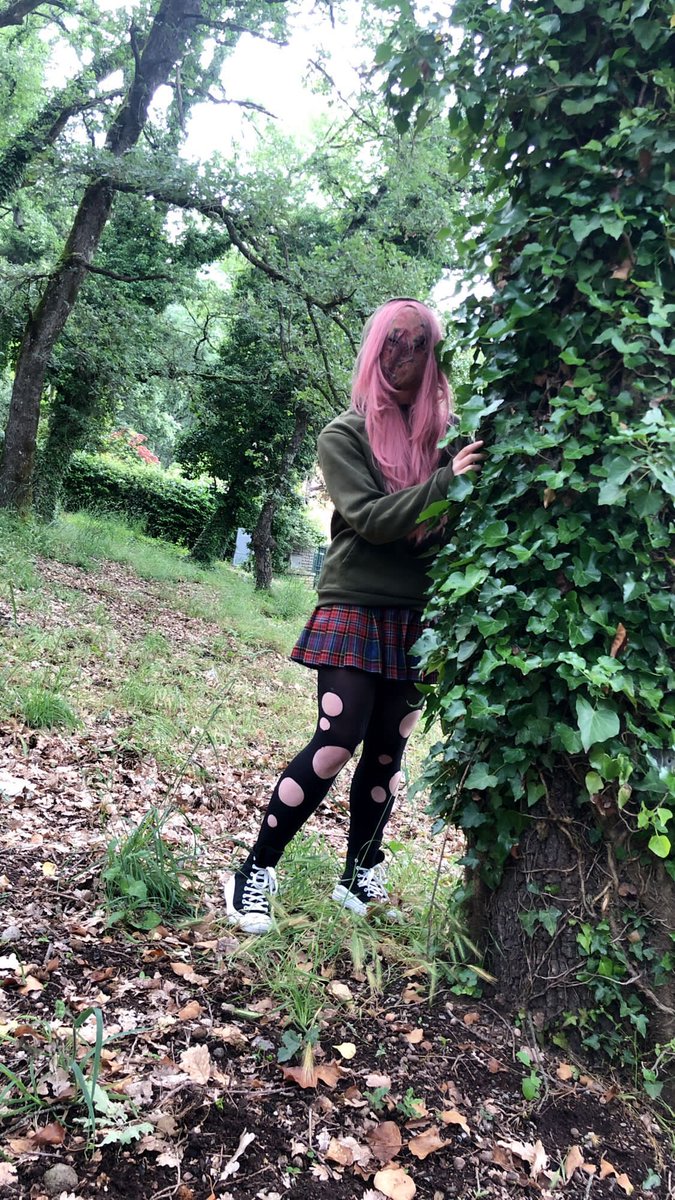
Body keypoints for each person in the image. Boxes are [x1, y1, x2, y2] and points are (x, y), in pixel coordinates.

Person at [224, 298, 485, 933]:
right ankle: (254, 870)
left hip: (419, 613)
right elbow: (368, 518)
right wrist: (445, 482)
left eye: (418, 344)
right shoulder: (344, 434)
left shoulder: (447, 437)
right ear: (373, 350)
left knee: (388, 755)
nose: (404, 356)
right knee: (337, 741)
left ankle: (360, 872)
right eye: (392, 342)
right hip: (354, 604)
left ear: (433, 355)